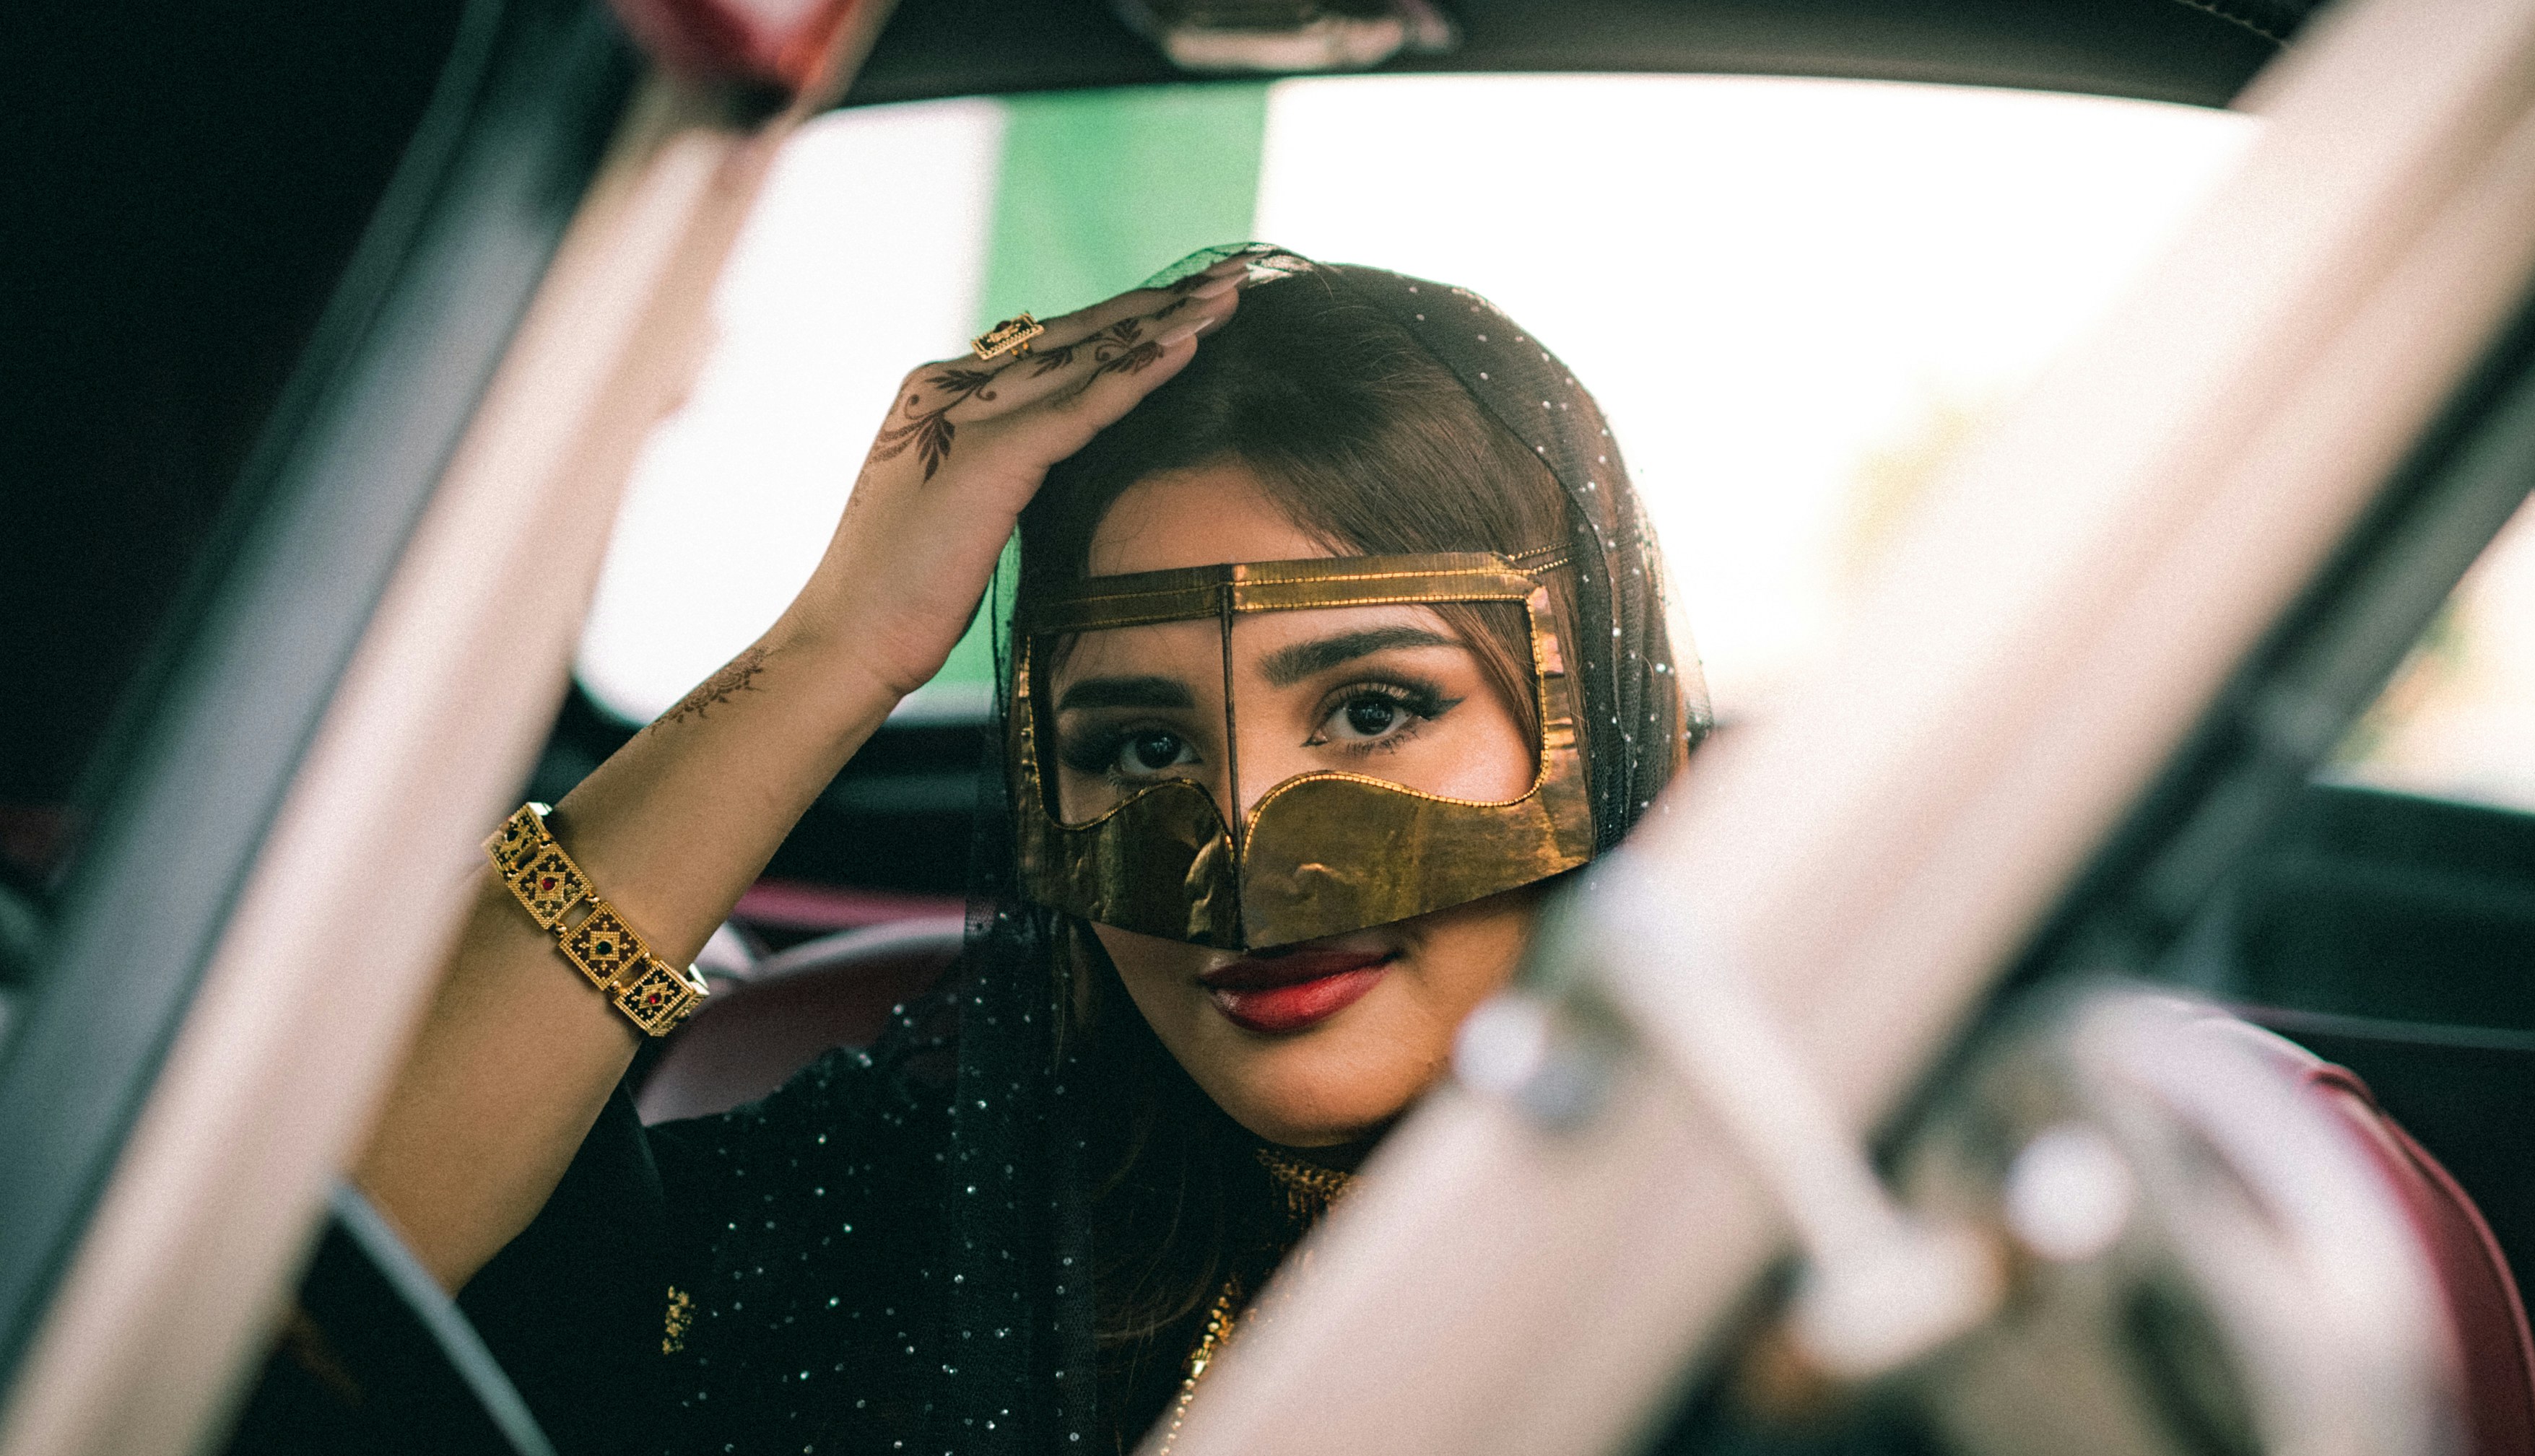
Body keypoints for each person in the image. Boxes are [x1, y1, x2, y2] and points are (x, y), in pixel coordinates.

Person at [356, 245, 1704, 1456]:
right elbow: (300, 1282)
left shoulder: (1814, 1264)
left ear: (1601, 721)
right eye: (1143, 749)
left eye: (1371, 711)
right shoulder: (920, 1219)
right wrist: (840, 646)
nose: (1238, 873)